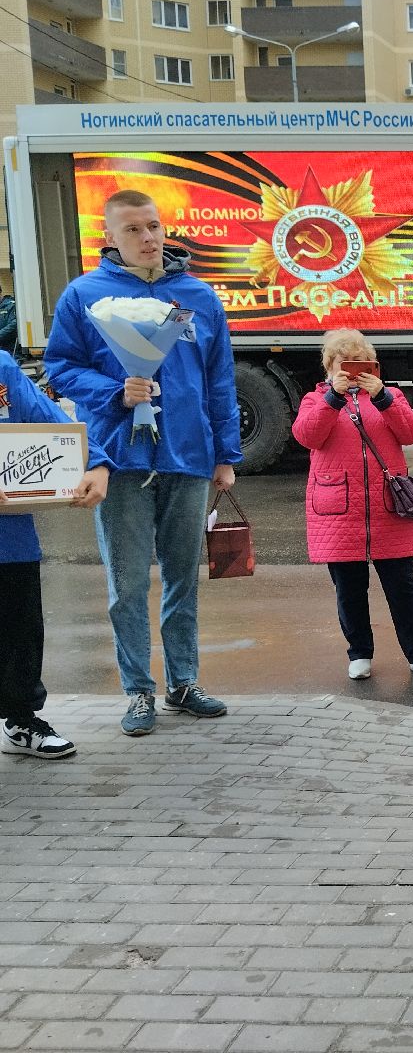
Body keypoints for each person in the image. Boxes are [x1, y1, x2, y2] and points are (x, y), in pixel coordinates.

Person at [44, 189, 241, 738]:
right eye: (133, 230)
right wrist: (115, 391)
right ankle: (137, 691)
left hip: (188, 456)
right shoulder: (84, 295)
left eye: (153, 226)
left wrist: (226, 454)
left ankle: (183, 681)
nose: (148, 237)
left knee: (183, 577)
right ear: (109, 237)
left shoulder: (196, 295)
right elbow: (60, 368)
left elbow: (219, 379)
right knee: (127, 583)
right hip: (119, 460)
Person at [292, 329, 413, 681]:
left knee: (403, 586)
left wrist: (384, 398)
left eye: (360, 363)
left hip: (388, 508)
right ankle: (359, 653)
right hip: (338, 510)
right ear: (330, 366)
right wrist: (333, 401)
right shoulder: (317, 399)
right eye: (345, 364)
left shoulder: (390, 396)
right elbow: (306, 436)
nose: (353, 372)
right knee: (350, 588)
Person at [0, 351, 113, 758]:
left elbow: (54, 420)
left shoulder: (1, 368)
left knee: (19, 629)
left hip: (8, 538)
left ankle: (21, 720)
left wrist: (96, 463)